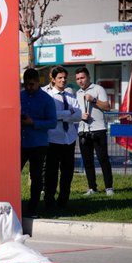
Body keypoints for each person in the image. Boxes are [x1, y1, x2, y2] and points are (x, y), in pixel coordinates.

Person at [19, 68, 57, 218]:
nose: (29, 87)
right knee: (13, 175)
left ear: (38, 83)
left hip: (38, 144)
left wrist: (33, 122)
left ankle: (33, 208)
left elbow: (52, 122)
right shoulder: (19, 96)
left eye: (32, 84)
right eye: (26, 84)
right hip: (20, 143)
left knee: (36, 177)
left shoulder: (47, 99)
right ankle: (14, 203)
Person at [42, 66, 81, 211]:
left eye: (65, 77)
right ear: (53, 79)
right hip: (53, 139)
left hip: (69, 139)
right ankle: (49, 201)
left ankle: (63, 200)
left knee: (67, 173)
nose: (63, 80)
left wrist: (63, 114)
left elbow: (78, 116)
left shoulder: (71, 96)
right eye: (60, 78)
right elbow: (51, 116)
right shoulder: (48, 96)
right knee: (51, 173)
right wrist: (68, 112)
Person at [74, 67, 114, 196]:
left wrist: (94, 100)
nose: (80, 81)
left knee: (103, 159)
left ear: (88, 77)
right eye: (78, 79)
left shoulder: (98, 89)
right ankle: (92, 188)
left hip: (98, 130)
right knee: (87, 161)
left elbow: (107, 107)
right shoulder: (77, 93)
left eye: (82, 78)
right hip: (83, 130)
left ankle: (109, 187)